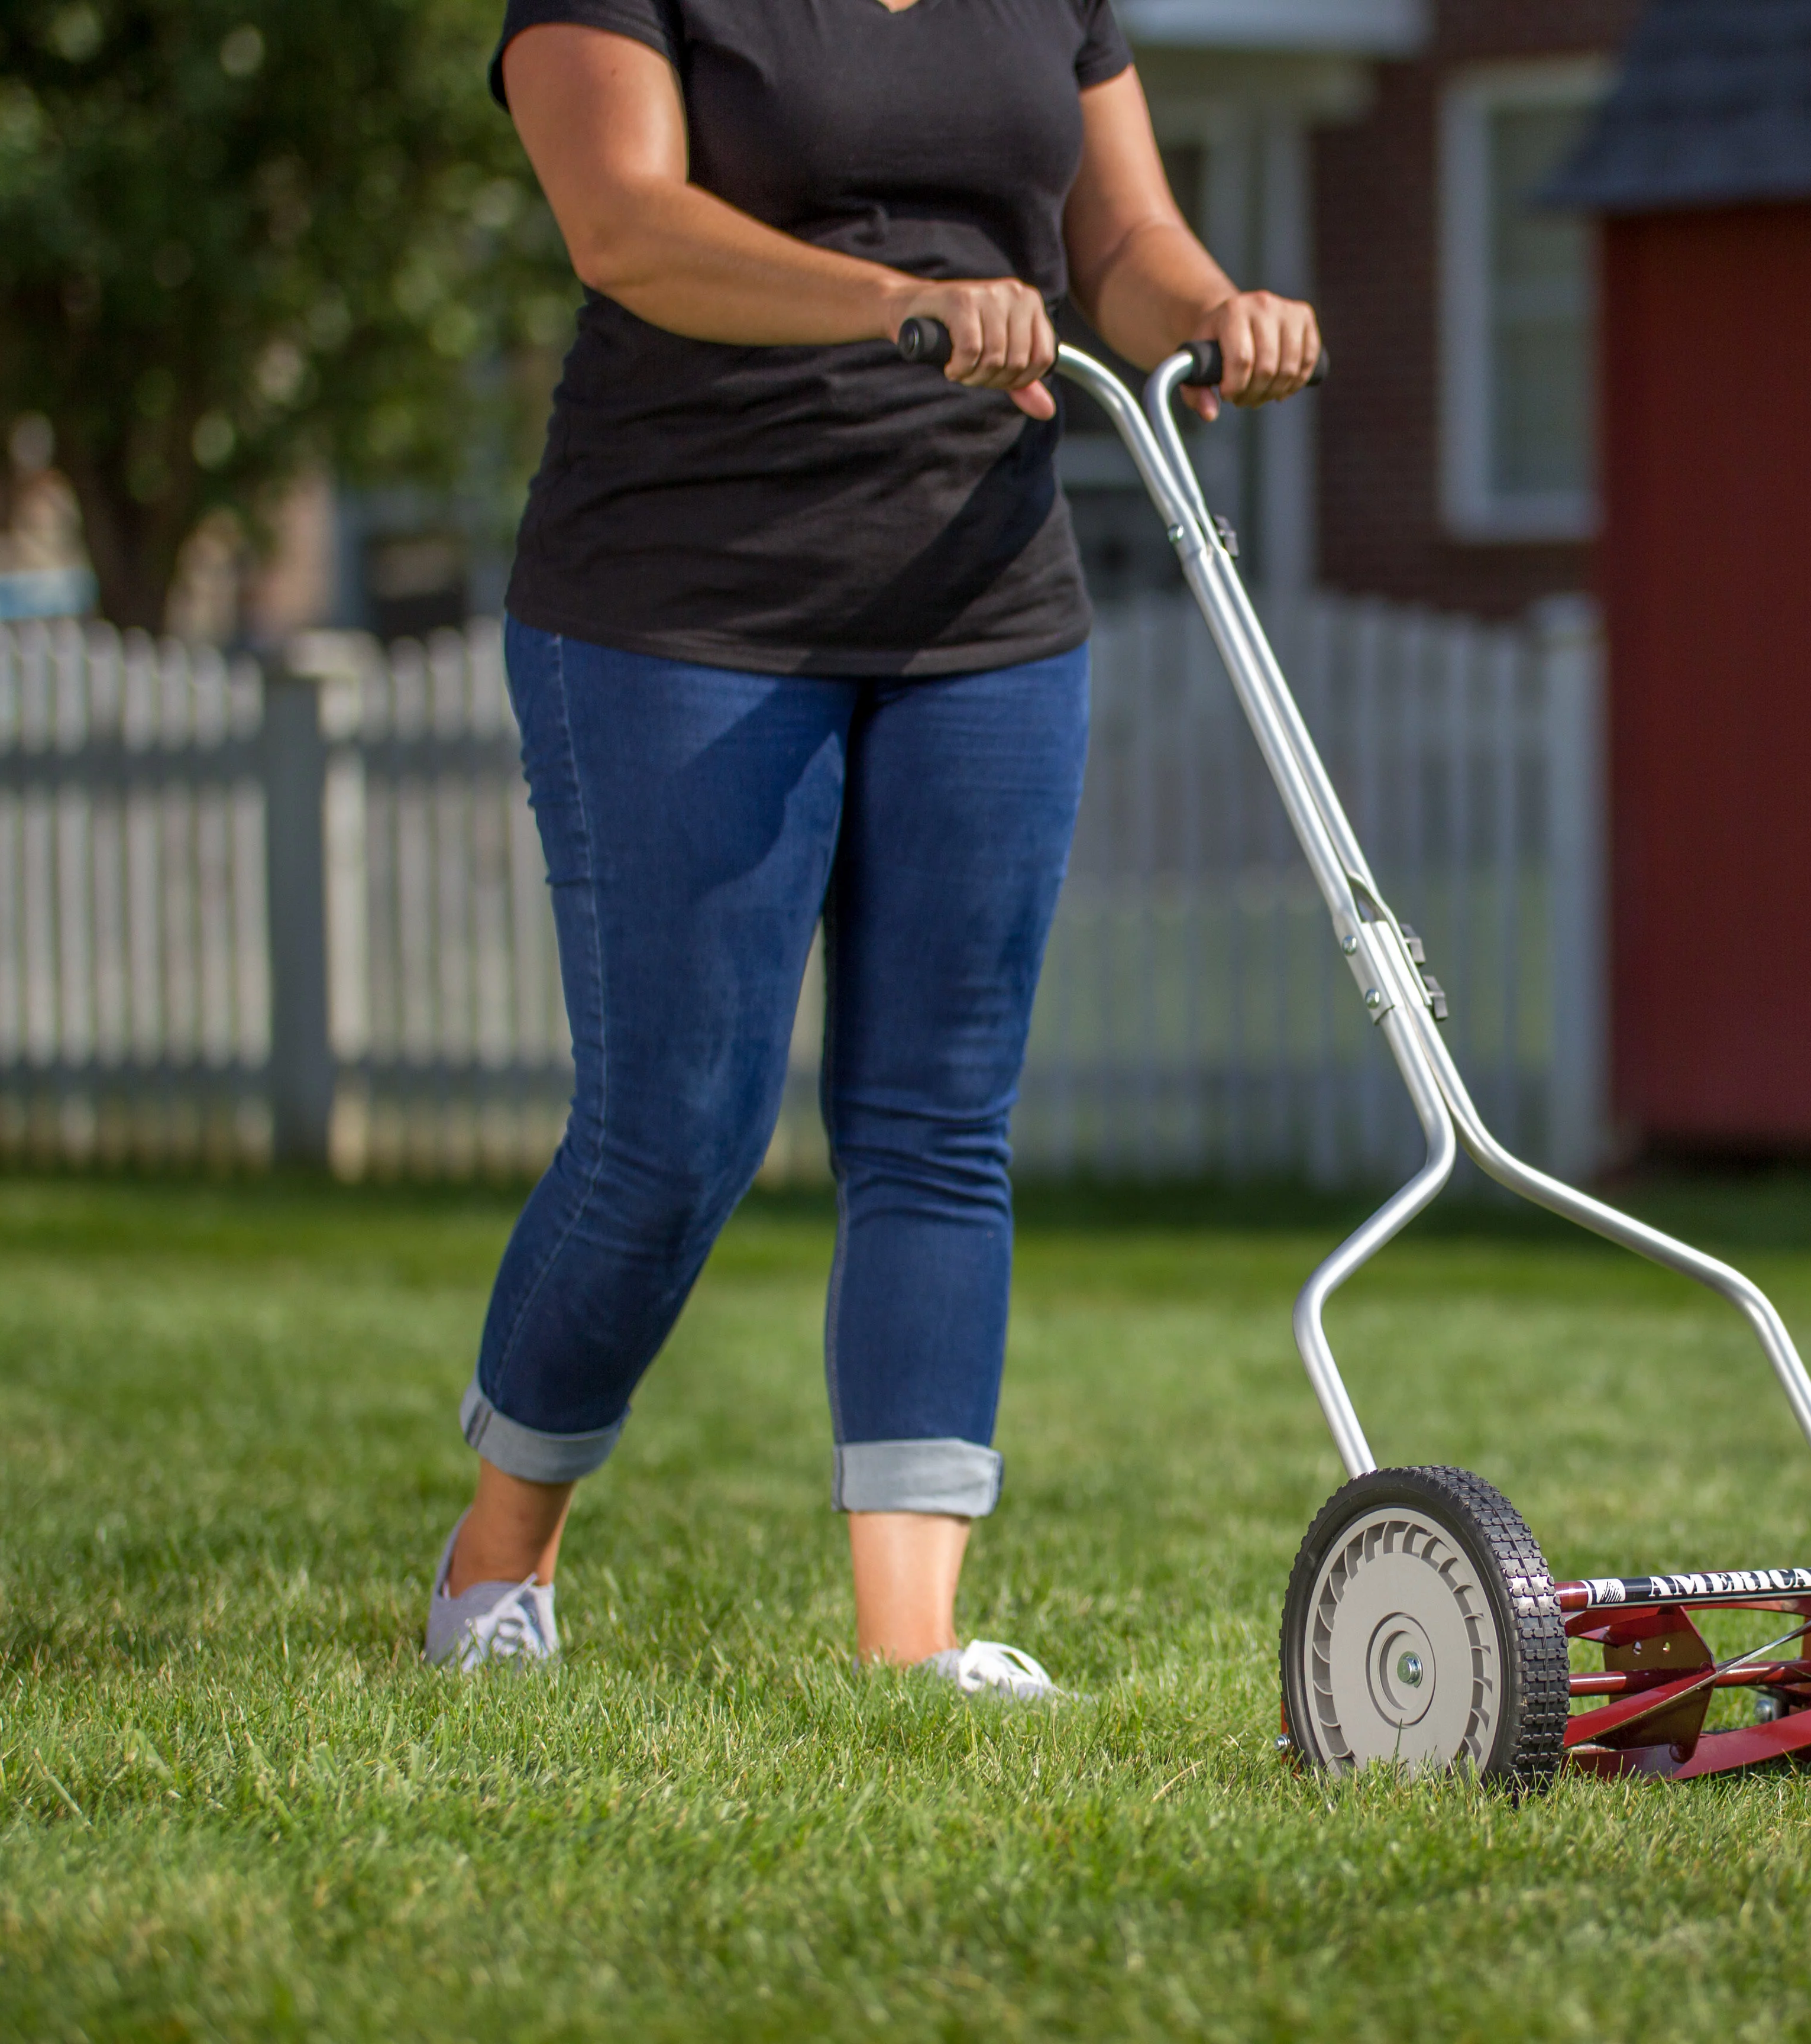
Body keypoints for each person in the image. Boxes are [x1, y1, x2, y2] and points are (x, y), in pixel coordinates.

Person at [421, 0, 1322, 1694]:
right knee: (671, 1134)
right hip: (681, 604)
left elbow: (1114, 233)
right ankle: (495, 1568)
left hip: (985, 603)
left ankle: (912, 1645)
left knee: (937, 1125)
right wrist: (900, 304)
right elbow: (623, 225)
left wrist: (1209, 311)